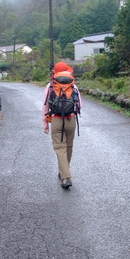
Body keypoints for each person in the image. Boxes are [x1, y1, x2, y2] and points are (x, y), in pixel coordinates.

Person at [42, 61, 82, 189]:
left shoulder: (51, 86)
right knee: (68, 146)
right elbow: (79, 105)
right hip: (70, 119)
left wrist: (45, 124)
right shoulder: (73, 86)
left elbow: (45, 106)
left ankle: (65, 177)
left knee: (60, 148)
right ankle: (64, 171)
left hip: (56, 120)